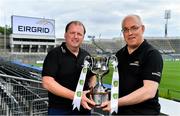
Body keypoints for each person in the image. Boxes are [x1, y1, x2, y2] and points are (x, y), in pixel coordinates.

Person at [101, 14, 163, 115]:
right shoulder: (119, 54)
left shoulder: (151, 54)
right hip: (119, 111)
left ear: (142, 29)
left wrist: (116, 102)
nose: (130, 33)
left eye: (134, 28)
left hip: (143, 113)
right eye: (125, 29)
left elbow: (149, 91)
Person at [42, 21, 96, 115]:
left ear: (83, 37)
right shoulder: (54, 54)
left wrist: (91, 90)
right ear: (65, 35)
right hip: (60, 110)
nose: (75, 36)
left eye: (79, 34)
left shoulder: (86, 55)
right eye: (72, 33)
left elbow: (92, 76)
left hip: (83, 109)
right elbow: (47, 82)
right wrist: (76, 96)